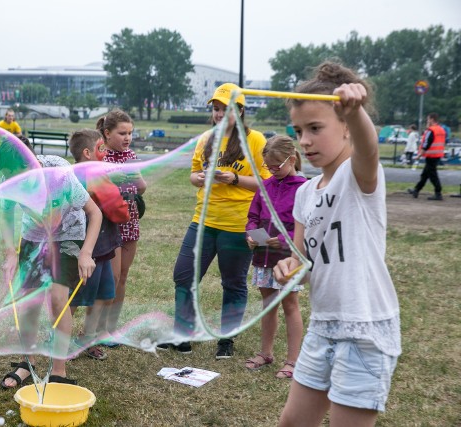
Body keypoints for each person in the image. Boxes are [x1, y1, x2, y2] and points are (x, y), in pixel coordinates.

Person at [273, 62, 401, 426]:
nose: (305, 141)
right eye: (299, 130)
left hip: (364, 329)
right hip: (323, 325)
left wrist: (356, 111)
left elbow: (368, 148)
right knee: (292, 422)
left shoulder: (359, 177)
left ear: (345, 127)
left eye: (315, 128)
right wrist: (289, 268)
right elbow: (301, 261)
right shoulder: (305, 194)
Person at [161, 83, 271, 359]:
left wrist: (234, 178)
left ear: (241, 110)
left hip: (240, 224)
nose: (219, 114)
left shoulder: (255, 140)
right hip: (204, 220)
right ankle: (183, 336)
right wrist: (197, 178)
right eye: (216, 109)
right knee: (184, 275)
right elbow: (195, 173)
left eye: (226, 109)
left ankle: (226, 339)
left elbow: (267, 183)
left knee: (233, 283)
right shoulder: (206, 139)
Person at [0, 140, 102, 389]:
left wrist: (86, 253)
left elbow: (95, 213)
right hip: (34, 236)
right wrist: (11, 252)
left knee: (57, 299)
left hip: (68, 234)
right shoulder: (9, 180)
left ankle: (58, 371)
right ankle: (27, 363)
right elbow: (6, 214)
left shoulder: (60, 174)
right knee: (29, 301)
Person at [245, 135, 306, 378]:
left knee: (290, 305)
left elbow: (305, 225)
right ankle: (265, 353)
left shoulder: (303, 188)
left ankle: (292, 361)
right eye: (267, 167)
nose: (271, 171)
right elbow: (253, 216)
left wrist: (281, 240)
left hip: (288, 258)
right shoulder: (265, 187)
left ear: (291, 159)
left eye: (276, 166)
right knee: (267, 305)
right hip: (264, 256)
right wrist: (251, 235)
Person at [68, 129, 130, 360]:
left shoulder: (72, 174)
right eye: (101, 148)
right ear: (87, 152)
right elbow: (120, 211)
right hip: (92, 248)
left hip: (98, 247)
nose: (105, 152)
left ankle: (86, 339)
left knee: (102, 293)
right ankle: (63, 340)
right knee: (77, 296)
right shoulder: (94, 175)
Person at [97, 109, 147, 344]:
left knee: (124, 276)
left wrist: (136, 176)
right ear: (107, 133)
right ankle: (99, 329)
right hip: (110, 223)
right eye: (122, 133)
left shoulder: (131, 155)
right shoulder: (100, 157)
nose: (127, 138)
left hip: (130, 220)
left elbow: (142, 188)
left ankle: (112, 328)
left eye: (130, 133)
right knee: (112, 277)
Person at [407, 113, 446, 201]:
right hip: (437, 154)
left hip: (431, 155)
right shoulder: (441, 130)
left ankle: (438, 192)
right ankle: (416, 189)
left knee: (432, 175)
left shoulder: (430, 130)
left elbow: (426, 144)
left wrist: (419, 155)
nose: (427, 121)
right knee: (425, 174)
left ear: (432, 119)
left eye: (428, 119)